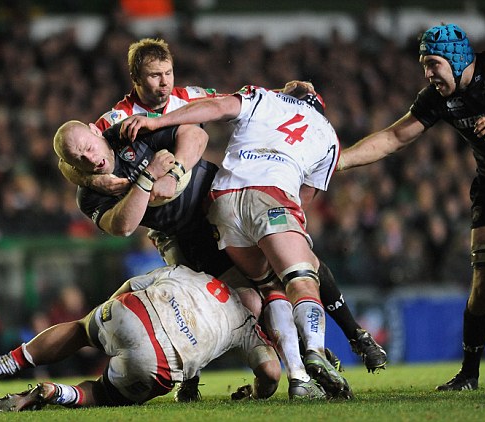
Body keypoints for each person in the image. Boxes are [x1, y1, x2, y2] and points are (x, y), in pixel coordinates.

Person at [63, 37, 387, 374]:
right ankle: (283, 360)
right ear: (135, 80)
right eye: (153, 76)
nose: (163, 83)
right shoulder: (116, 120)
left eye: (167, 73)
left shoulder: (187, 98)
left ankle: (349, 336)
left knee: (293, 267)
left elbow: (241, 103)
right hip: (177, 229)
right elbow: (74, 155)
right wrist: (91, 179)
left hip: (214, 200)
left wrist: (290, 96)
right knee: (243, 296)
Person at [120, 85, 355, 399]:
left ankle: (294, 368)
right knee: (288, 281)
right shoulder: (326, 136)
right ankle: (306, 359)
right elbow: (304, 199)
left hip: (220, 211)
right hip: (232, 214)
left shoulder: (257, 102)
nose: (162, 83)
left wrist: (156, 124)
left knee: (260, 295)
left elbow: (219, 106)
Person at [336, 23, 485, 391]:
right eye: (424, 64)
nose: (428, 73)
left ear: (457, 60)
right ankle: (469, 374)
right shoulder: (436, 97)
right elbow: (394, 136)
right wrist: (340, 162)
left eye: (434, 64)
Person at [0, 265, 281, 411]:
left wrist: (106, 315)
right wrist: (258, 393)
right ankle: (55, 392)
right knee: (105, 395)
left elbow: (133, 283)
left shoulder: (195, 275)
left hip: (131, 311)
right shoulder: (247, 327)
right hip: (159, 359)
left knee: (78, 330)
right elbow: (270, 373)